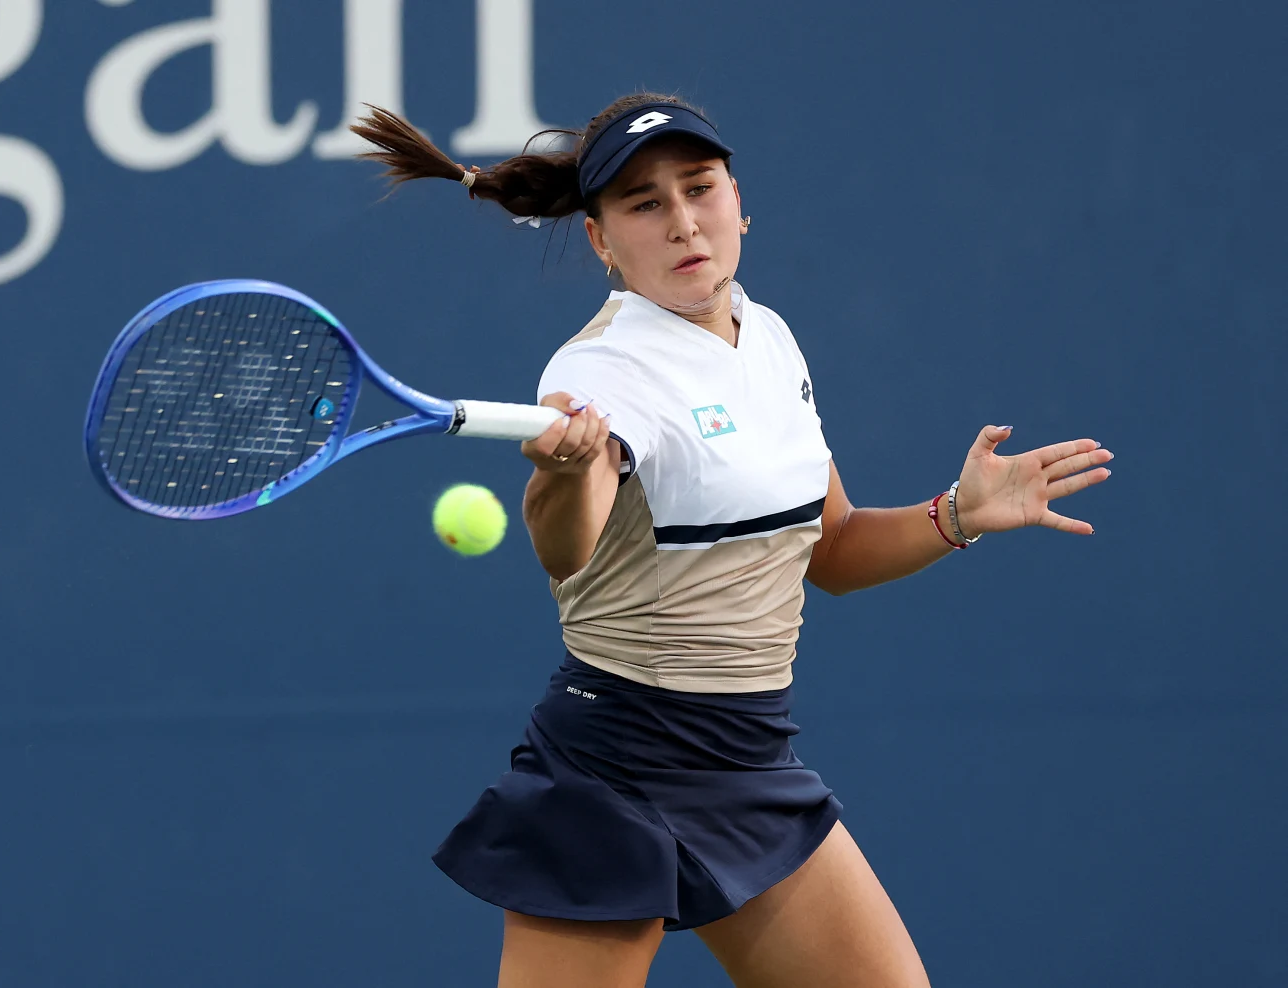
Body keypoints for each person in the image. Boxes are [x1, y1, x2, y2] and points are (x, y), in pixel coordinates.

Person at [352, 94, 1112, 988]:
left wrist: (957, 516)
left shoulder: (771, 341)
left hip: (748, 757)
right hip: (616, 762)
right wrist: (564, 473)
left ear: (737, 200)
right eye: (643, 204)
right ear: (601, 241)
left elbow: (830, 551)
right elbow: (567, 550)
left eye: (699, 188)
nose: (682, 222)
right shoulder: (600, 372)